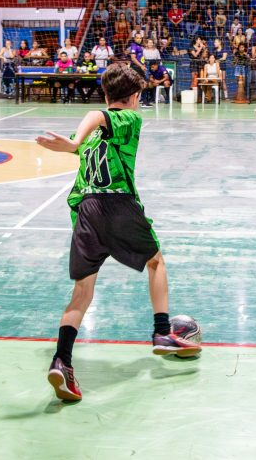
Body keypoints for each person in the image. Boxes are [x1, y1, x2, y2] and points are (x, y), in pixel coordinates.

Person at [35, 64, 200, 401]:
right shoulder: (128, 120)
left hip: (85, 212)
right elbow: (98, 115)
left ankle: (61, 360)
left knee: (82, 292)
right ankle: (160, 333)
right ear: (135, 96)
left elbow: (90, 137)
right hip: (116, 205)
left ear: (106, 91)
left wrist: (73, 145)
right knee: (156, 262)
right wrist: (72, 141)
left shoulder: (95, 137)